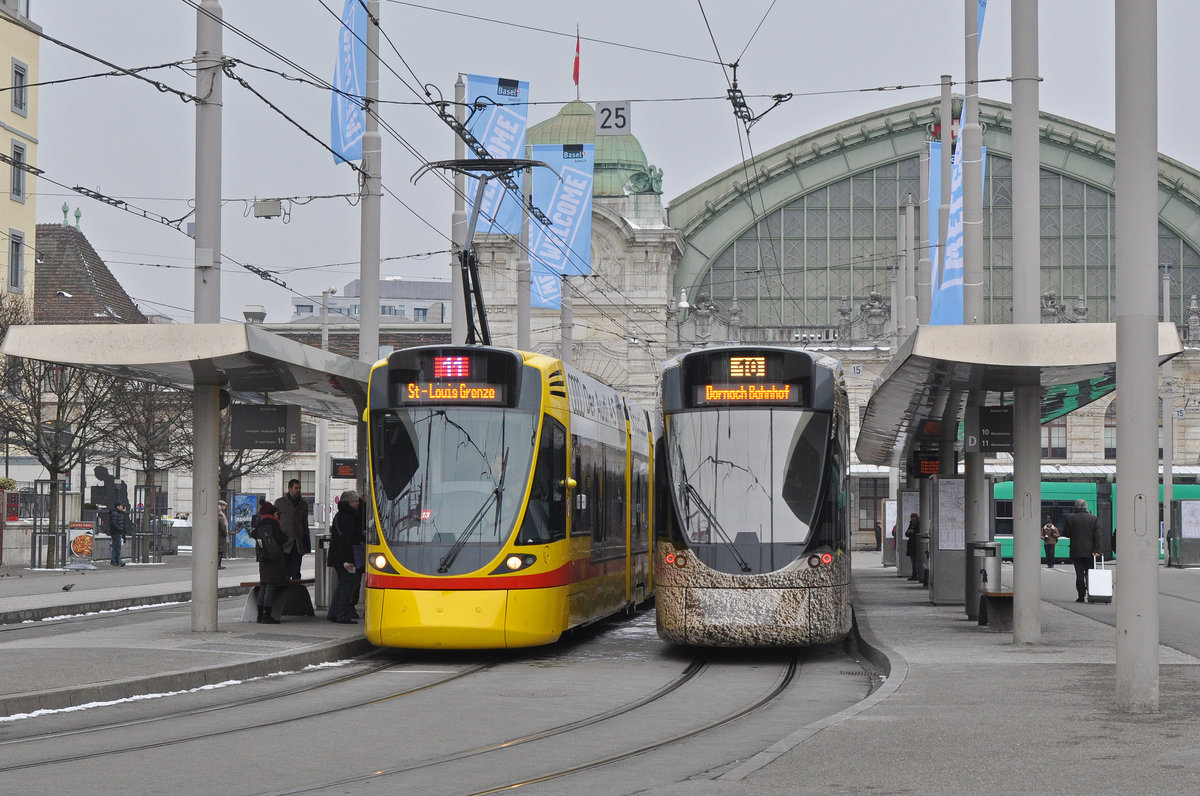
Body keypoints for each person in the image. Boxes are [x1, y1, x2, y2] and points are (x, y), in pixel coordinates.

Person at [326, 490, 365, 624]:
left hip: (337, 556)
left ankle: (333, 613)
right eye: (356, 501)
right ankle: (342, 615)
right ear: (349, 502)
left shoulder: (339, 515)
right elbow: (348, 540)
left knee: (342, 585)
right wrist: (349, 561)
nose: (358, 504)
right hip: (346, 556)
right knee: (347, 586)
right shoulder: (350, 517)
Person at [250, 502, 288, 624]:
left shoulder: (260, 524)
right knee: (270, 587)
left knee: (264, 586)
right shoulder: (272, 524)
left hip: (263, 559)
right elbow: (283, 538)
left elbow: (254, 535)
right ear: (272, 513)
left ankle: (260, 615)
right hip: (273, 559)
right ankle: (267, 615)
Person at [1061, 498, 1102, 603]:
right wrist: (1096, 550)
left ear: (1075, 507)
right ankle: (1091, 593)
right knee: (1090, 573)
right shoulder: (1093, 518)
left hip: (1076, 551)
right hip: (1090, 552)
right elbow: (1097, 536)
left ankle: (1081, 596)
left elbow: (1066, 534)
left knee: (1079, 575)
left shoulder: (1070, 518)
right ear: (1086, 507)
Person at [275, 479, 311, 581]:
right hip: (284, 543)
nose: (298, 490)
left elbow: (305, 524)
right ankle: (283, 594)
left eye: (299, 488)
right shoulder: (280, 502)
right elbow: (275, 522)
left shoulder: (303, 504)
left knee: (296, 572)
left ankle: (295, 594)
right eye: (296, 488)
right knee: (284, 572)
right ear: (290, 488)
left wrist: (306, 542)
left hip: (298, 543)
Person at [109, 501, 127, 567]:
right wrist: (119, 528)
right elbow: (113, 522)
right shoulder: (115, 513)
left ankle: (115, 560)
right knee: (117, 546)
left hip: (116, 532)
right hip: (116, 532)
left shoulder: (117, 513)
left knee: (115, 546)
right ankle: (116, 560)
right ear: (118, 506)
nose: (122, 507)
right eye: (121, 506)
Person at [904, 512, 920, 581]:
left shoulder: (919, 525)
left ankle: (916, 574)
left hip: (917, 545)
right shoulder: (910, 524)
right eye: (912, 519)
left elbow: (917, 533)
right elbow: (906, 533)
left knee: (915, 561)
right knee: (913, 561)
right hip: (911, 545)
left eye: (913, 519)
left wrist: (911, 532)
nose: (912, 521)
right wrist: (910, 532)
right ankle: (914, 574)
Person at [217, 499, 229, 570]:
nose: (225, 507)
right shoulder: (220, 516)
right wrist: (225, 534)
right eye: (224, 506)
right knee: (220, 551)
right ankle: (218, 564)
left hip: (218, 536)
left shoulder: (217, 515)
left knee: (218, 550)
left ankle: (218, 564)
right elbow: (223, 527)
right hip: (220, 536)